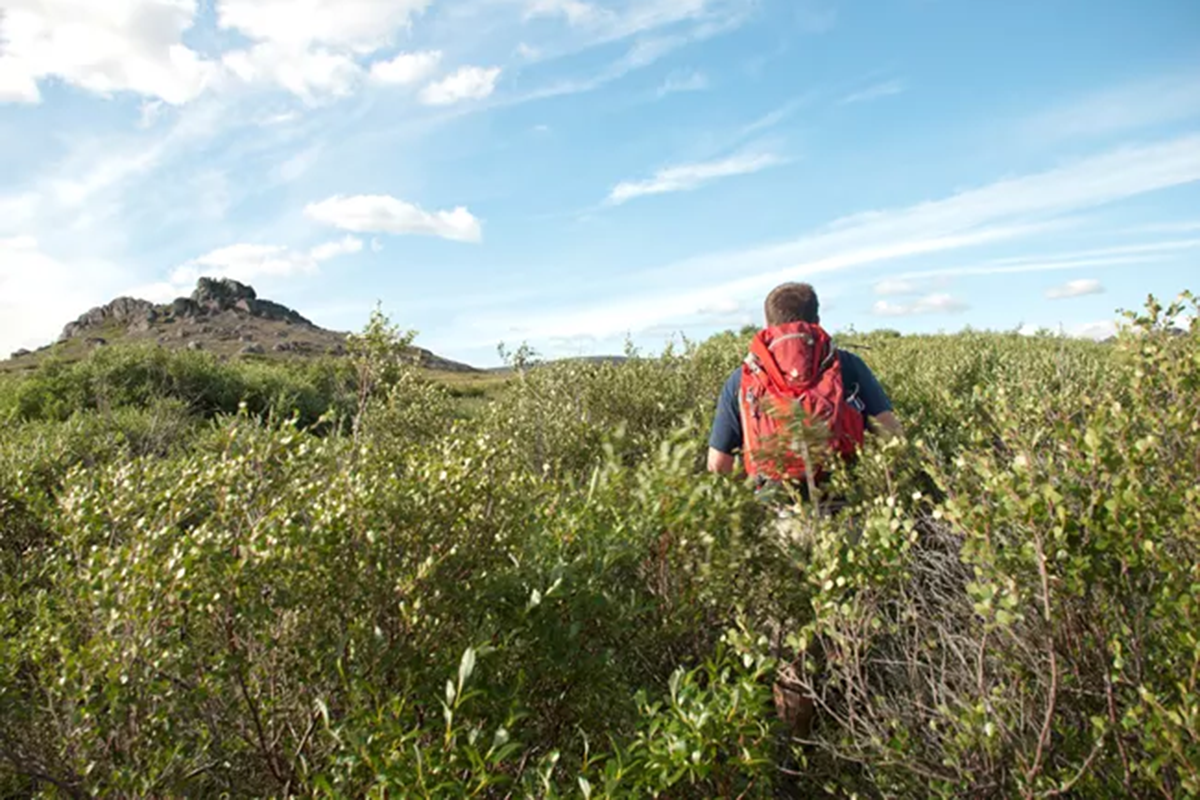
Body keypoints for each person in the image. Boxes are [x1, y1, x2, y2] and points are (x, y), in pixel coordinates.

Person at [707, 282, 900, 478]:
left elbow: (718, 463)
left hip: (772, 492)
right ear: (817, 321)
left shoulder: (745, 376)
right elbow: (891, 434)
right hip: (842, 488)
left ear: (768, 325)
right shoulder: (847, 365)